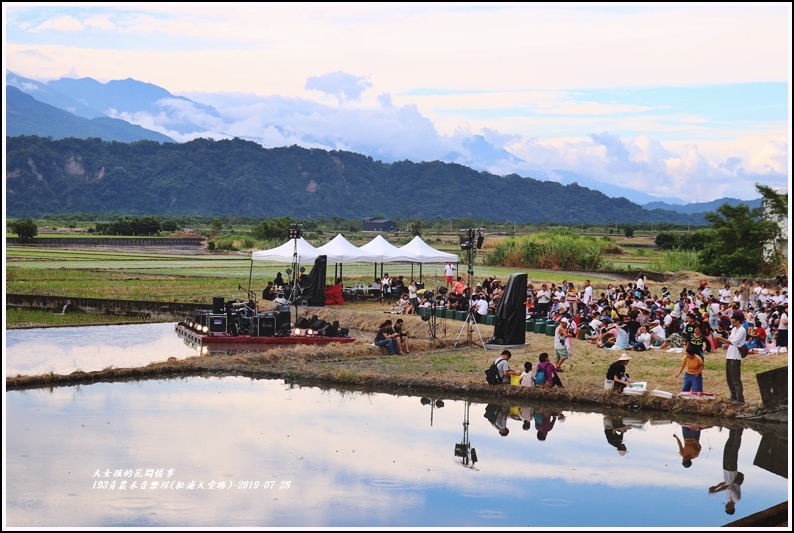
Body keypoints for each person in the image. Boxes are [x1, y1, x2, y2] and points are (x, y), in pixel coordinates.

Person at [709, 428, 744, 515]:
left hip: (726, 470)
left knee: (727, 448)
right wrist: (716, 491)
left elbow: (725, 483)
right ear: (731, 508)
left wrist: (716, 487)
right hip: (731, 470)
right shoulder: (736, 498)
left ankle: (733, 429)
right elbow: (728, 487)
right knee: (733, 449)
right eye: (727, 508)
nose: (725, 506)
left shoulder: (728, 496)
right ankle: (739, 430)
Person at [714, 312, 747, 404]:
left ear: (738, 321)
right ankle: (733, 395)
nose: (732, 323)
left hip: (735, 356)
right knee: (729, 378)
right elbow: (729, 341)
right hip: (729, 354)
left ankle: (740, 398)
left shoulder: (742, 330)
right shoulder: (734, 329)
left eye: (733, 322)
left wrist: (720, 338)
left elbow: (733, 342)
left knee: (735, 378)